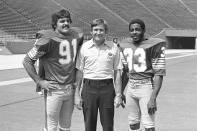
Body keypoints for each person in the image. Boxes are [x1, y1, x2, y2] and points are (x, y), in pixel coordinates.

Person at [23, 9, 83, 131]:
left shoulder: (77, 35)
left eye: (67, 20)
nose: (66, 23)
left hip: (70, 88)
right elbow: (27, 60)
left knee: (66, 126)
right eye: (62, 21)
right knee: (51, 127)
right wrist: (39, 81)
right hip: (54, 90)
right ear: (55, 24)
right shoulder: (47, 39)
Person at [74, 18, 123, 131]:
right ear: (91, 32)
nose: (98, 32)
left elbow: (117, 72)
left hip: (107, 88)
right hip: (88, 88)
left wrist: (119, 95)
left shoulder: (113, 47)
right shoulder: (84, 48)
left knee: (108, 125)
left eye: (101, 30)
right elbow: (79, 73)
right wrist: (76, 95)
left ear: (106, 32)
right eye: (95, 30)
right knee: (89, 125)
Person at [119, 19, 166, 131]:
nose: (134, 32)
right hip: (131, 87)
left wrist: (153, 98)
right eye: (132, 30)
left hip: (146, 87)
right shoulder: (125, 45)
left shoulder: (153, 45)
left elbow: (159, 74)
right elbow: (126, 72)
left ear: (143, 30)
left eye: (137, 29)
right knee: (133, 124)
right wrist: (121, 91)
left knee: (149, 126)